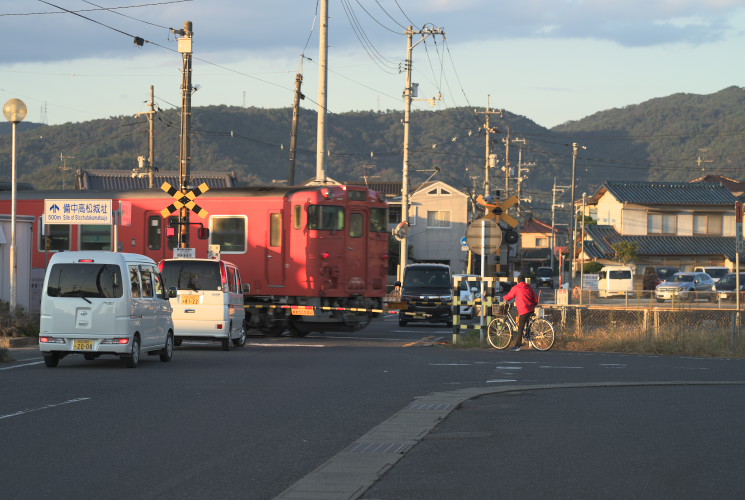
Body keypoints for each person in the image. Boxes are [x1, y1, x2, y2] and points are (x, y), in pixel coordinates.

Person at [502, 274, 539, 351]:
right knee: (526, 323)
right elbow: (533, 296)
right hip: (531, 308)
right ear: (524, 280)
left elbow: (510, 296)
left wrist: (504, 298)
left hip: (524, 309)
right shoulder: (528, 287)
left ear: (518, 281)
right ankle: (526, 336)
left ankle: (517, 346)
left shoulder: (516, 288)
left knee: (520, 327)